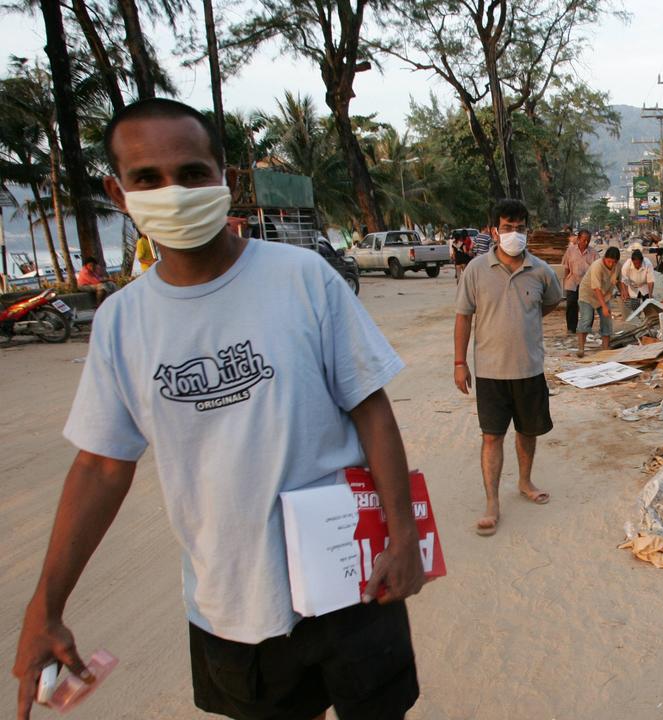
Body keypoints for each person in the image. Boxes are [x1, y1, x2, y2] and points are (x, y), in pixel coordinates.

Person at [11, 98, 425, 720]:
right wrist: (45, 605)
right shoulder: (123, 322)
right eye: (148, 178)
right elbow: (100, 466)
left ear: (224, 180)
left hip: (351, 577)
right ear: (118, 192)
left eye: (191, 173)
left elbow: (373, 414)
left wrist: (404, 534)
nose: (172, 192)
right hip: (229, 601)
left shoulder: (302, 278)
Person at [454, 198, 563, 537]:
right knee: (492, 437)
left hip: (529, 368)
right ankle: (492, 502)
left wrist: (524, 320)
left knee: (528, 432)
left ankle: (525, 481)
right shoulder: (475, 271)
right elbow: (463, 318)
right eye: (507, 228)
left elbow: (552, 302)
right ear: (494, 231)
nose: (514, 234)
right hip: (490, 372)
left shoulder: (541, 270)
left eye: (519, 228)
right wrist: (460, 362)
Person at [576, 246, 620, 358]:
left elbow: (618, 280)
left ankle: (605, 348)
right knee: (586, 319)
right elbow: (596, 288)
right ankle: (581, 348)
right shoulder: (597, 266)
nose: (610, 264)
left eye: (613, 262)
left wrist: (624, 292)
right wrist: (604, 306)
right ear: (604, 258)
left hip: (604, 295)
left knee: (607, 321)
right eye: (609, 261)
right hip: (588, 295)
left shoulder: (617, 266)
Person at [560, 229, 597, 335]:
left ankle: (586, 328)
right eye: (584, 240)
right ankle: (571, 328)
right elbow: (566, 267)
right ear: (578, 239)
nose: (586, 242)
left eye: (588, 240)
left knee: (588, 305)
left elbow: (596, 269)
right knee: (571, 304)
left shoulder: (593, 252)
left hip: (587, 283)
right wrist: (565, 280)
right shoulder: (570, 251)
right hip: (572, 281)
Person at [619, 249, 656, 315]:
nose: (637, 265)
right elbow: (623, 281)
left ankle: (648, 317)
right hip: (633, 287)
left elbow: (650, 281)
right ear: (632, 261)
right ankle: (637, 317)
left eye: (639, 263)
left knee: (648, 307)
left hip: (644, 286)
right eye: (635, 263)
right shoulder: (626, 265)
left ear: (642, 261)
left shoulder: (648, 263)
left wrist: (650, 295)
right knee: (635, 308)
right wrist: (625, 292)